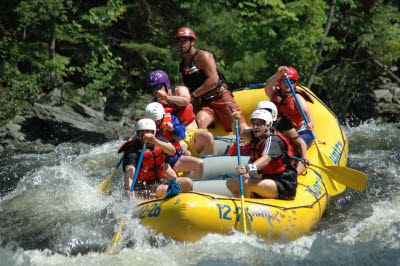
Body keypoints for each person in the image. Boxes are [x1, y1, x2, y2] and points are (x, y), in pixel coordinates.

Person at [175, 27, 246, 132]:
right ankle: (208, 147)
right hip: (205, 103)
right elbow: (187, 87)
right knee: (200, 121)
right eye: (179, 41)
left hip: (220, 97)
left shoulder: (203, 55)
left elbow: (213, 79)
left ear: (193, 42)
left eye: (184, 40)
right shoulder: (182, 65)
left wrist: (193, 95)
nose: (182, 44)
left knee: (241, 129)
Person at [226, 110, 298, 199]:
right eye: (253, 123)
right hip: (265, 180)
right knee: (230, 183)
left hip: (283, 184)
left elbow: (266, 159)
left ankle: (249, 204)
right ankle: (248, 200)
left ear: (268, 125)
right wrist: (235, 120)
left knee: (246, 183)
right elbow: (240, 132)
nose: (256, 127)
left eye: (259, 124)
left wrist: (248, 168)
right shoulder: (256, 135)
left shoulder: (274, 140)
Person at [148, 70, 217, 157]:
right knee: (183, 150)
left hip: (192, 133)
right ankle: (193, 165)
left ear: (166, 84)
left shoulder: (180, 90)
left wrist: (167, 97)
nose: (156, 91)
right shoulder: (156, 106)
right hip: (176, 139)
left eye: (158, 87)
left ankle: (213, 165)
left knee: (208, 136)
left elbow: (186, 101)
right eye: (153, 88)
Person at [118, 118, 193, 199]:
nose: (144, 135)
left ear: (153, 132)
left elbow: (172, 151)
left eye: (148, 131)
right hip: (141, 187)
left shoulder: (160, 141)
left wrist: (155, 141)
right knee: (165, 189)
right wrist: (129, 190)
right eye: (142, 132)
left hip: (158, 181)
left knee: (188, 182)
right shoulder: (132, 149)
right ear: (138, 133)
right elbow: (130, 172)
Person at [145, 102, 204, 179]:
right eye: (153, 121)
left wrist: (173, 129)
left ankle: (194, 186)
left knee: (200, 163)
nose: (155, 123)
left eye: (157, 120)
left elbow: (182, 135)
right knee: (174, 177)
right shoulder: (144, 126)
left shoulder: (171, 119)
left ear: (162, 116)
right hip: (160, 162)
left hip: (174, 158)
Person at [264, 66, 315, 148]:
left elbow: (307, 113)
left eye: (291, 81)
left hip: (296, 131)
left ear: (295, 83)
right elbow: (268, 85)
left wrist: (311, 123)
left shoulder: (297, 97)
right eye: (284, 81)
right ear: (280, 82)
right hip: (277, 129)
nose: (288, 83)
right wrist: (278, 74)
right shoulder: (274, 93)